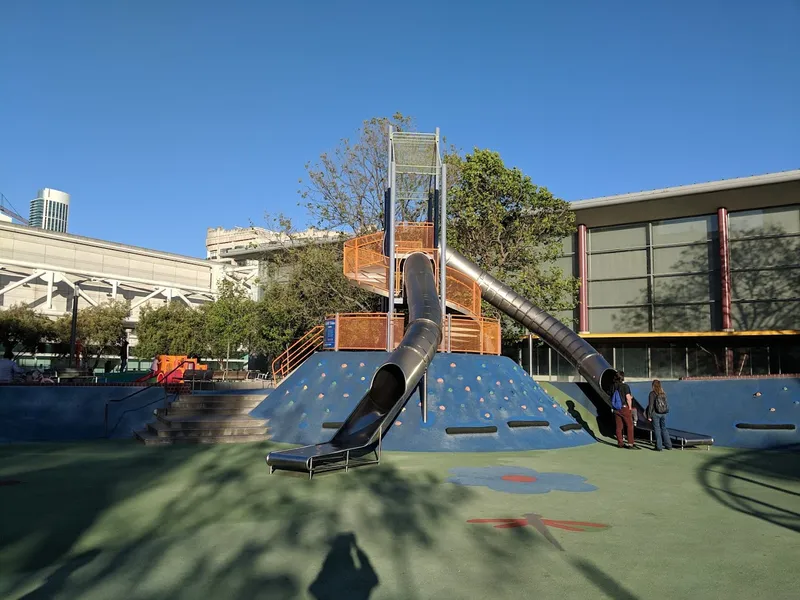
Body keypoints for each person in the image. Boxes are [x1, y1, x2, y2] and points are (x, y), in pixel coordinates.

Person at [612, 370, 636, 449]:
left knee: (619, 426)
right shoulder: (625, 386)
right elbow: (628, 398)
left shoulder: (613, 386)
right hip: (624, 407)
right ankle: (630, 443)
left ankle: (620, 443)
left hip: (616, 408)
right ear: (622, 377)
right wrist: (629, 407)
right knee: (629, 425)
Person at [647, 379, 673, 451]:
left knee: (657, 430)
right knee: (664, 429)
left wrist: (649, 416)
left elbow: (651, 405)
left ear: (653, 386)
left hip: (656, 414)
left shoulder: (652, 394)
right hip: (663, 413)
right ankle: (669, 445)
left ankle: (659, 447)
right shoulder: (663, 393)